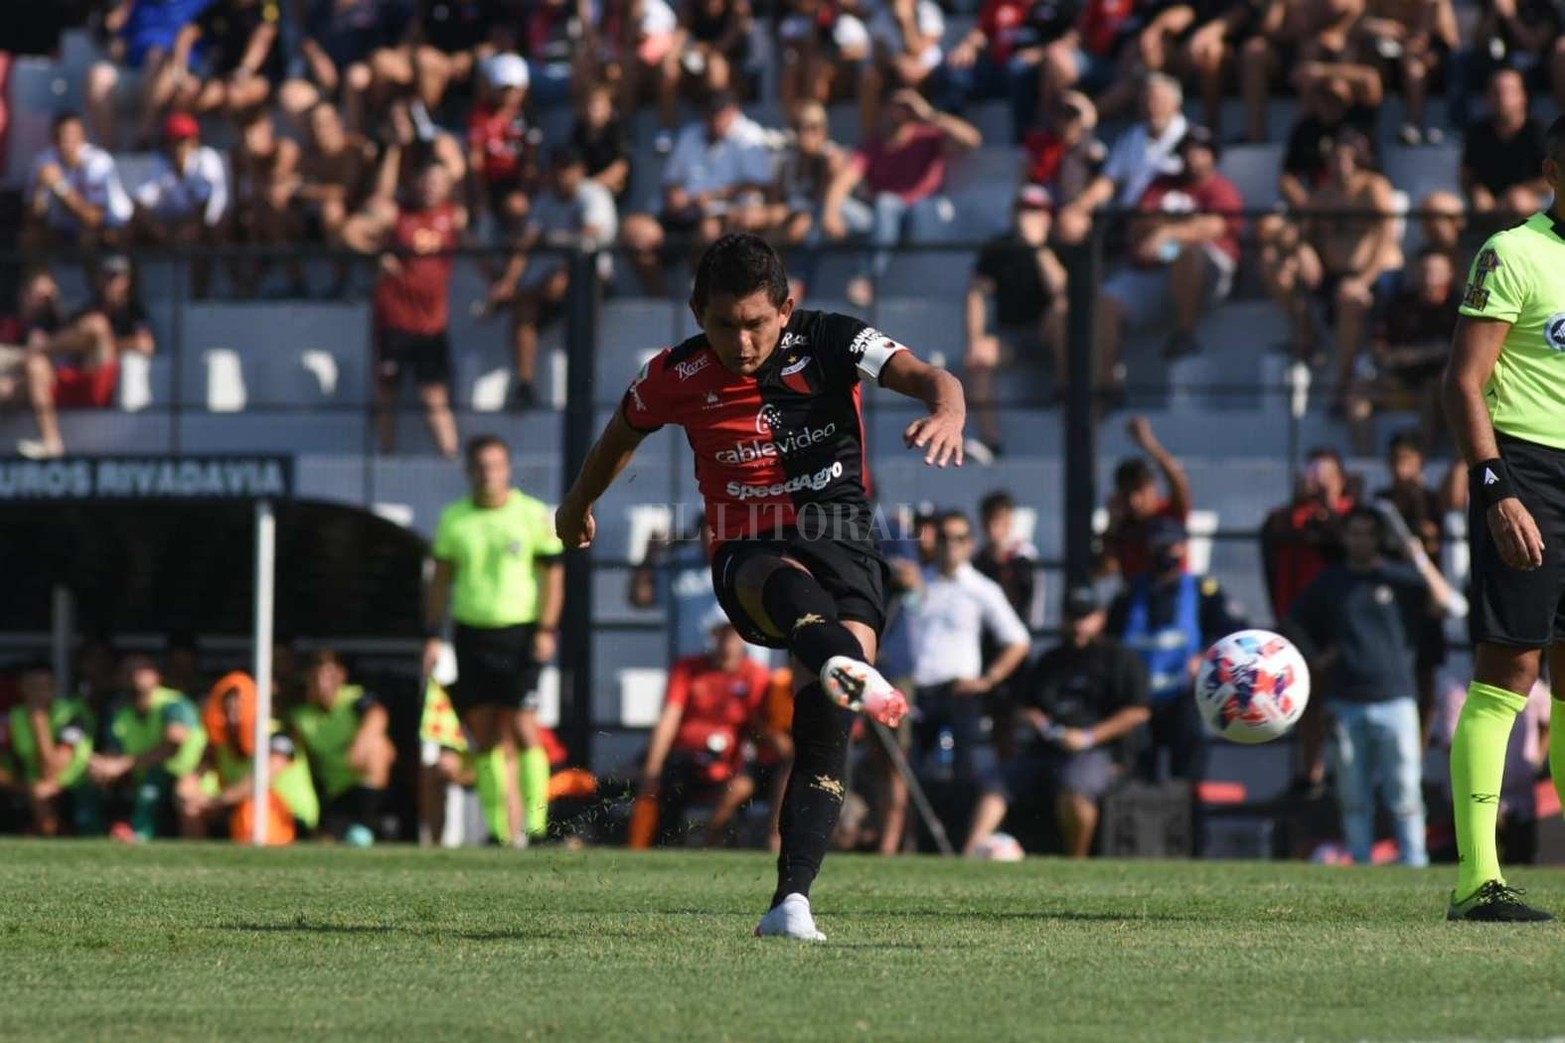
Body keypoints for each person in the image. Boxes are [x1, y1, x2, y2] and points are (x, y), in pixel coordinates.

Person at [555, 233, 966, 940]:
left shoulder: (835, 339)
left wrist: (949, 410)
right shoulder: (673, 374)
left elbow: (931, 376)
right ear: (696, 312)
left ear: (785, 308)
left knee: (822, 734)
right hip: (746, 544)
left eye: (755, 323)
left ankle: (790, 902)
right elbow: (620, 436)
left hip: (842, 538)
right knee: (776, 579)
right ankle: (843, 660)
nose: (741, 341)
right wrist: (576, 503)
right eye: (723, 324)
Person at [1441, 115, 1565, 921]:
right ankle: (1476, 881)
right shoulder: (1513, 251)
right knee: (1510, 670)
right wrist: (1495, 489)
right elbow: (1460, 381)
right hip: (1526, 472)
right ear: (1555, 166)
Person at [1288, 505, 1462, 868]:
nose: (1361, 540)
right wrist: (1317, 659)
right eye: (1354, 533)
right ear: (1345, 537)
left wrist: (1418, 557)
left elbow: (1452, 606)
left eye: (1368, 533)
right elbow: (1294, 623)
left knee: (1405, 791)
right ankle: (1361, 863)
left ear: (1379, 539)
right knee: (1353, 795)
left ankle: (1415, 862)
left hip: (1396, 701)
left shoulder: (1401, 579)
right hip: (1345, 703)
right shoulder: (1331, 582)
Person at [425, 435, 566, 847]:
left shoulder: (532, 515)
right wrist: (434, 634)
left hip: (519, 633)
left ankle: (536, 829)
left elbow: (553, 576)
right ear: (470, 471)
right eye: (481, 466)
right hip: (471, 632)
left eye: (496, 464)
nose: (489, 473)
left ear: (507, 468)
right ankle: (500, 832)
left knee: (524, 727)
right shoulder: (455, 519)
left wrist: (546, 629)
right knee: (484, 732)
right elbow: (441, 580)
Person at [964, 586, 1150, 857]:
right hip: (1046, 750)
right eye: (1072, 617)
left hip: (1099, 752)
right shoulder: (1050, 661)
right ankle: (971, 854)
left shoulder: (1121, 659)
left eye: (1085, 617)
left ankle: (1075, 861)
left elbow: (1138, 712)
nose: (1078, 625)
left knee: (1074, 785)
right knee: (996, 781)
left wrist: (1088, 737)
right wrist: (1039, 723)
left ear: (1100, 618)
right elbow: (1027, 707)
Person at [343, 162, 466, 458]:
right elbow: (350, 232)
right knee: (387, 391)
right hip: (395, 318)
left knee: (435, 394)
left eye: (438, 182)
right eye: (426, 180)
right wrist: (378, 255)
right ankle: (386, 455)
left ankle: (451, 458)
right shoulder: (396, 213)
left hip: (433, 323)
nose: (430, 188)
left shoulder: (454, 217)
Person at [1096, 125, 1243, 371]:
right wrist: (1184, 225)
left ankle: (1185, 333)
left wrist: (1167, 231)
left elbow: (1215, 226)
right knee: (1103, 303)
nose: (1192, 156)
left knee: (1186, 252)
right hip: (1152, 268)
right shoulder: (1161, 185)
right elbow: (1137, 224)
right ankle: (1104, 388)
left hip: (1205, 271)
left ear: (1213, 155)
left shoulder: (1221, 188)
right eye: (1186, 150)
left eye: (1200, 150)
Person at [1107, 517, 1244, 780]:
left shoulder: (1203, 592)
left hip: (1185, 700)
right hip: (1137, 706)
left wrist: (1206, 656)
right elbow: (1110, 644)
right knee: (1137, 783)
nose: (1165, 552)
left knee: (1188, 783)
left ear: (1183, 548)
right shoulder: (1130, 595)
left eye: (1171, 545)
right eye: (1158, 545)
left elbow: (1234, 633)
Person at [904, 509, 1032, 782]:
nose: (951, 544)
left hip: (960, 692)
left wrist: (989, 679)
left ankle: (962, 825)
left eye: (960, 538)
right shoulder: (917, 581)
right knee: (910, 775)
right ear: (933, 540)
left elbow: (1018, 641)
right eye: (945, 537)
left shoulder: (981, 588)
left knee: (966, 772)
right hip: (918, 692)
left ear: (970, 544)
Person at [821, 89, 981, 308]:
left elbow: (972, 140)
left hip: (919, 215)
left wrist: (928, 114)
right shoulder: (874, 145)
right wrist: (830, 212)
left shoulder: (928, 135)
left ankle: (868, 277)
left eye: (906, 106)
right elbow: (844, 181)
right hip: (883, 219)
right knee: (830, 206)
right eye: (895, 105)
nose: (900, 112)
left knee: (886, 203)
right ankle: (797, 281)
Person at [486, 144, 618, 411]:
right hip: (550, 283)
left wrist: (554, 255)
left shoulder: (594, 195)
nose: (561, 175)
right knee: (524, 311)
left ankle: (584, 386)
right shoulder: (545, 201)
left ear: (579, 171)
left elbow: (589, 238)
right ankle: (525, 385)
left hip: (591, 277)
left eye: (567, 169)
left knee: (558, 285)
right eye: (556, 169)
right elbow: (526, 244)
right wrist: (509, 282)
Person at [637, 615, 776, 846]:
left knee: (740, 786)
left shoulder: (756, 675)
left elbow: (759, 727)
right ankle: (663, 842)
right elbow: (669, 718)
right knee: (665, 781)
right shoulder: (688, 669)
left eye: (733, 635)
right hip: (685, 759)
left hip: (728, 763)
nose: (727, 643)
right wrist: (652, 768)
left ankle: (710, 840)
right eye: (721, 635)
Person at [620, 91, 775, 295]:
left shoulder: (750, 137)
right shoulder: (690, 135)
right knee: (634, 231)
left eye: (720, 112)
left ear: (734, 111)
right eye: (710, 112)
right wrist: (675, 195)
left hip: (723, 217)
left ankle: (704, 297)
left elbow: (760, 185)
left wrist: (712, 196)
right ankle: (661, 300)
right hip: (682, 215)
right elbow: (670, 181)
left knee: (708, 231)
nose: (714, 119)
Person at [19, 255, 156, 461]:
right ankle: (52, 442)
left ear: (126, 281)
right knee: (34, 367)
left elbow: (146, 345)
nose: (111, 282)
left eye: (116, 277)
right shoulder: (89, 306)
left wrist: (109, 343)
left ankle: (41, 348)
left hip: (101, 375)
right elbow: (70, 338)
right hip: (77, 370)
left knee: (97, 325)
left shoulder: (133, 311)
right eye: (107, 277)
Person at [965, 184, 1066, 459]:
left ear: (1048, 216)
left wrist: (1038, 247)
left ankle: (1066, 397)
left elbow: (1062, 290)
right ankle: (991, 442)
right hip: (1010, 336)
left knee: (1062, 315)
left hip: (1050, 333)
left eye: (1036, 210)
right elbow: (977, 293)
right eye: (1024, 209)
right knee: (979, 356)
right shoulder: (999, 247)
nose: (1028, 216)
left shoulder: (1059, 245)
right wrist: (975, 339)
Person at [185, 671, 320, 844]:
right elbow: (190, 781)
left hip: (288, 817)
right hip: (233, 811)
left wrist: (213, 801)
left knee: (252, 804)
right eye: (228, 707)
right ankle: (197, 858)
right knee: (191, 807)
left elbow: (258, 782)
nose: (234, 716)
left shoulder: (278, 737)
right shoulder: (220, 745)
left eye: (240, 707)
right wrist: (190, 796)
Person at [87, 655, 207, 842]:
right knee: (92, 780)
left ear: (156, 676)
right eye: (128, 671)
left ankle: (139, 834)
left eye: (141, 670)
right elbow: (114, 748)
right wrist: (104, 765)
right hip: (139, 772)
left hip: (191, 773)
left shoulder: (174, 704)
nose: (134, 676)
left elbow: (172, 746)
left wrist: (122, 765)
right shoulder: (119, 710)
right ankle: (92, 837)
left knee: (155, 782)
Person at [288, 650, 394, 846]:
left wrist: (360, 742)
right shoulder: (300, 718)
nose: (322, 683)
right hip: (335, 791)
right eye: (316, 676)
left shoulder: (354, 699)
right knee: (326, 841)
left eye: (328, 675)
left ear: (341, 676)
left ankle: (367, 823)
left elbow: (378, 715)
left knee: (379, 747)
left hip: (364, 785)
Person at [132, 111, 230, 299]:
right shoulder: (160, 162)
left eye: (185, 140)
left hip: (208, 224)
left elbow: (205, 208)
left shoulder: (206, 160)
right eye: (175, 140)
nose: (180, 146)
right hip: (172, 225)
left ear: (195, 141)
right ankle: (131, 299)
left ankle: (199, 299)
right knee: (130, 231)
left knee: (203, 236)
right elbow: (141, 203)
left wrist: (185, 231)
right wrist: (160, 232)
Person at [2, 663, 96, 837]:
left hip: (73, 786)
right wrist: (23, 787)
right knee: (36, 795)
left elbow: (54, 767)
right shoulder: (12, 717)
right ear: (22, 688)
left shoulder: (74, 714)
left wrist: (40, 723)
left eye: (46, 686)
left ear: (55, 688)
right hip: (30, 787)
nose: (39, 693)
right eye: (33, 687)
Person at [23, 112, 134, 255]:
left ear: (83, 137)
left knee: (89, 237)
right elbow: (32, 219)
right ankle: (43, 277)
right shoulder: (44, 162)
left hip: (112, 227)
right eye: (61, 137)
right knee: (31, 237)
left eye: (72, 137)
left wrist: (61, 187)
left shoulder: (98, 161)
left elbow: (94, 219)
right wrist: (40, 188)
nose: (66, 143)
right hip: (66, 229)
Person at [1100, 415, 1192, 580]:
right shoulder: (1122, 527)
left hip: (1171, 598)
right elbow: (1105, 569)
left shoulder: (1170, 514)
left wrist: (1149, 443)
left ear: (1153, 488)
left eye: (1139, 490)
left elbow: (1179, 483)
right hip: (1137, 599)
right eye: (1127, 492)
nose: (1134, 500)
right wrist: (1111, 524)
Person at [1460, 69, 1549, 221]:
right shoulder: (1477, 133)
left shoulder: (1541, 132)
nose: (1501, 97)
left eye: (1508, 91)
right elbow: (1467, 176)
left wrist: (1515, 193)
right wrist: (1477, 191)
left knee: (1518, 202)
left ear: (1523, 96)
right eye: (1495, 92)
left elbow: (1552, 180)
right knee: (1436, 207)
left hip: (1537, 203)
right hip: (1486, 206)